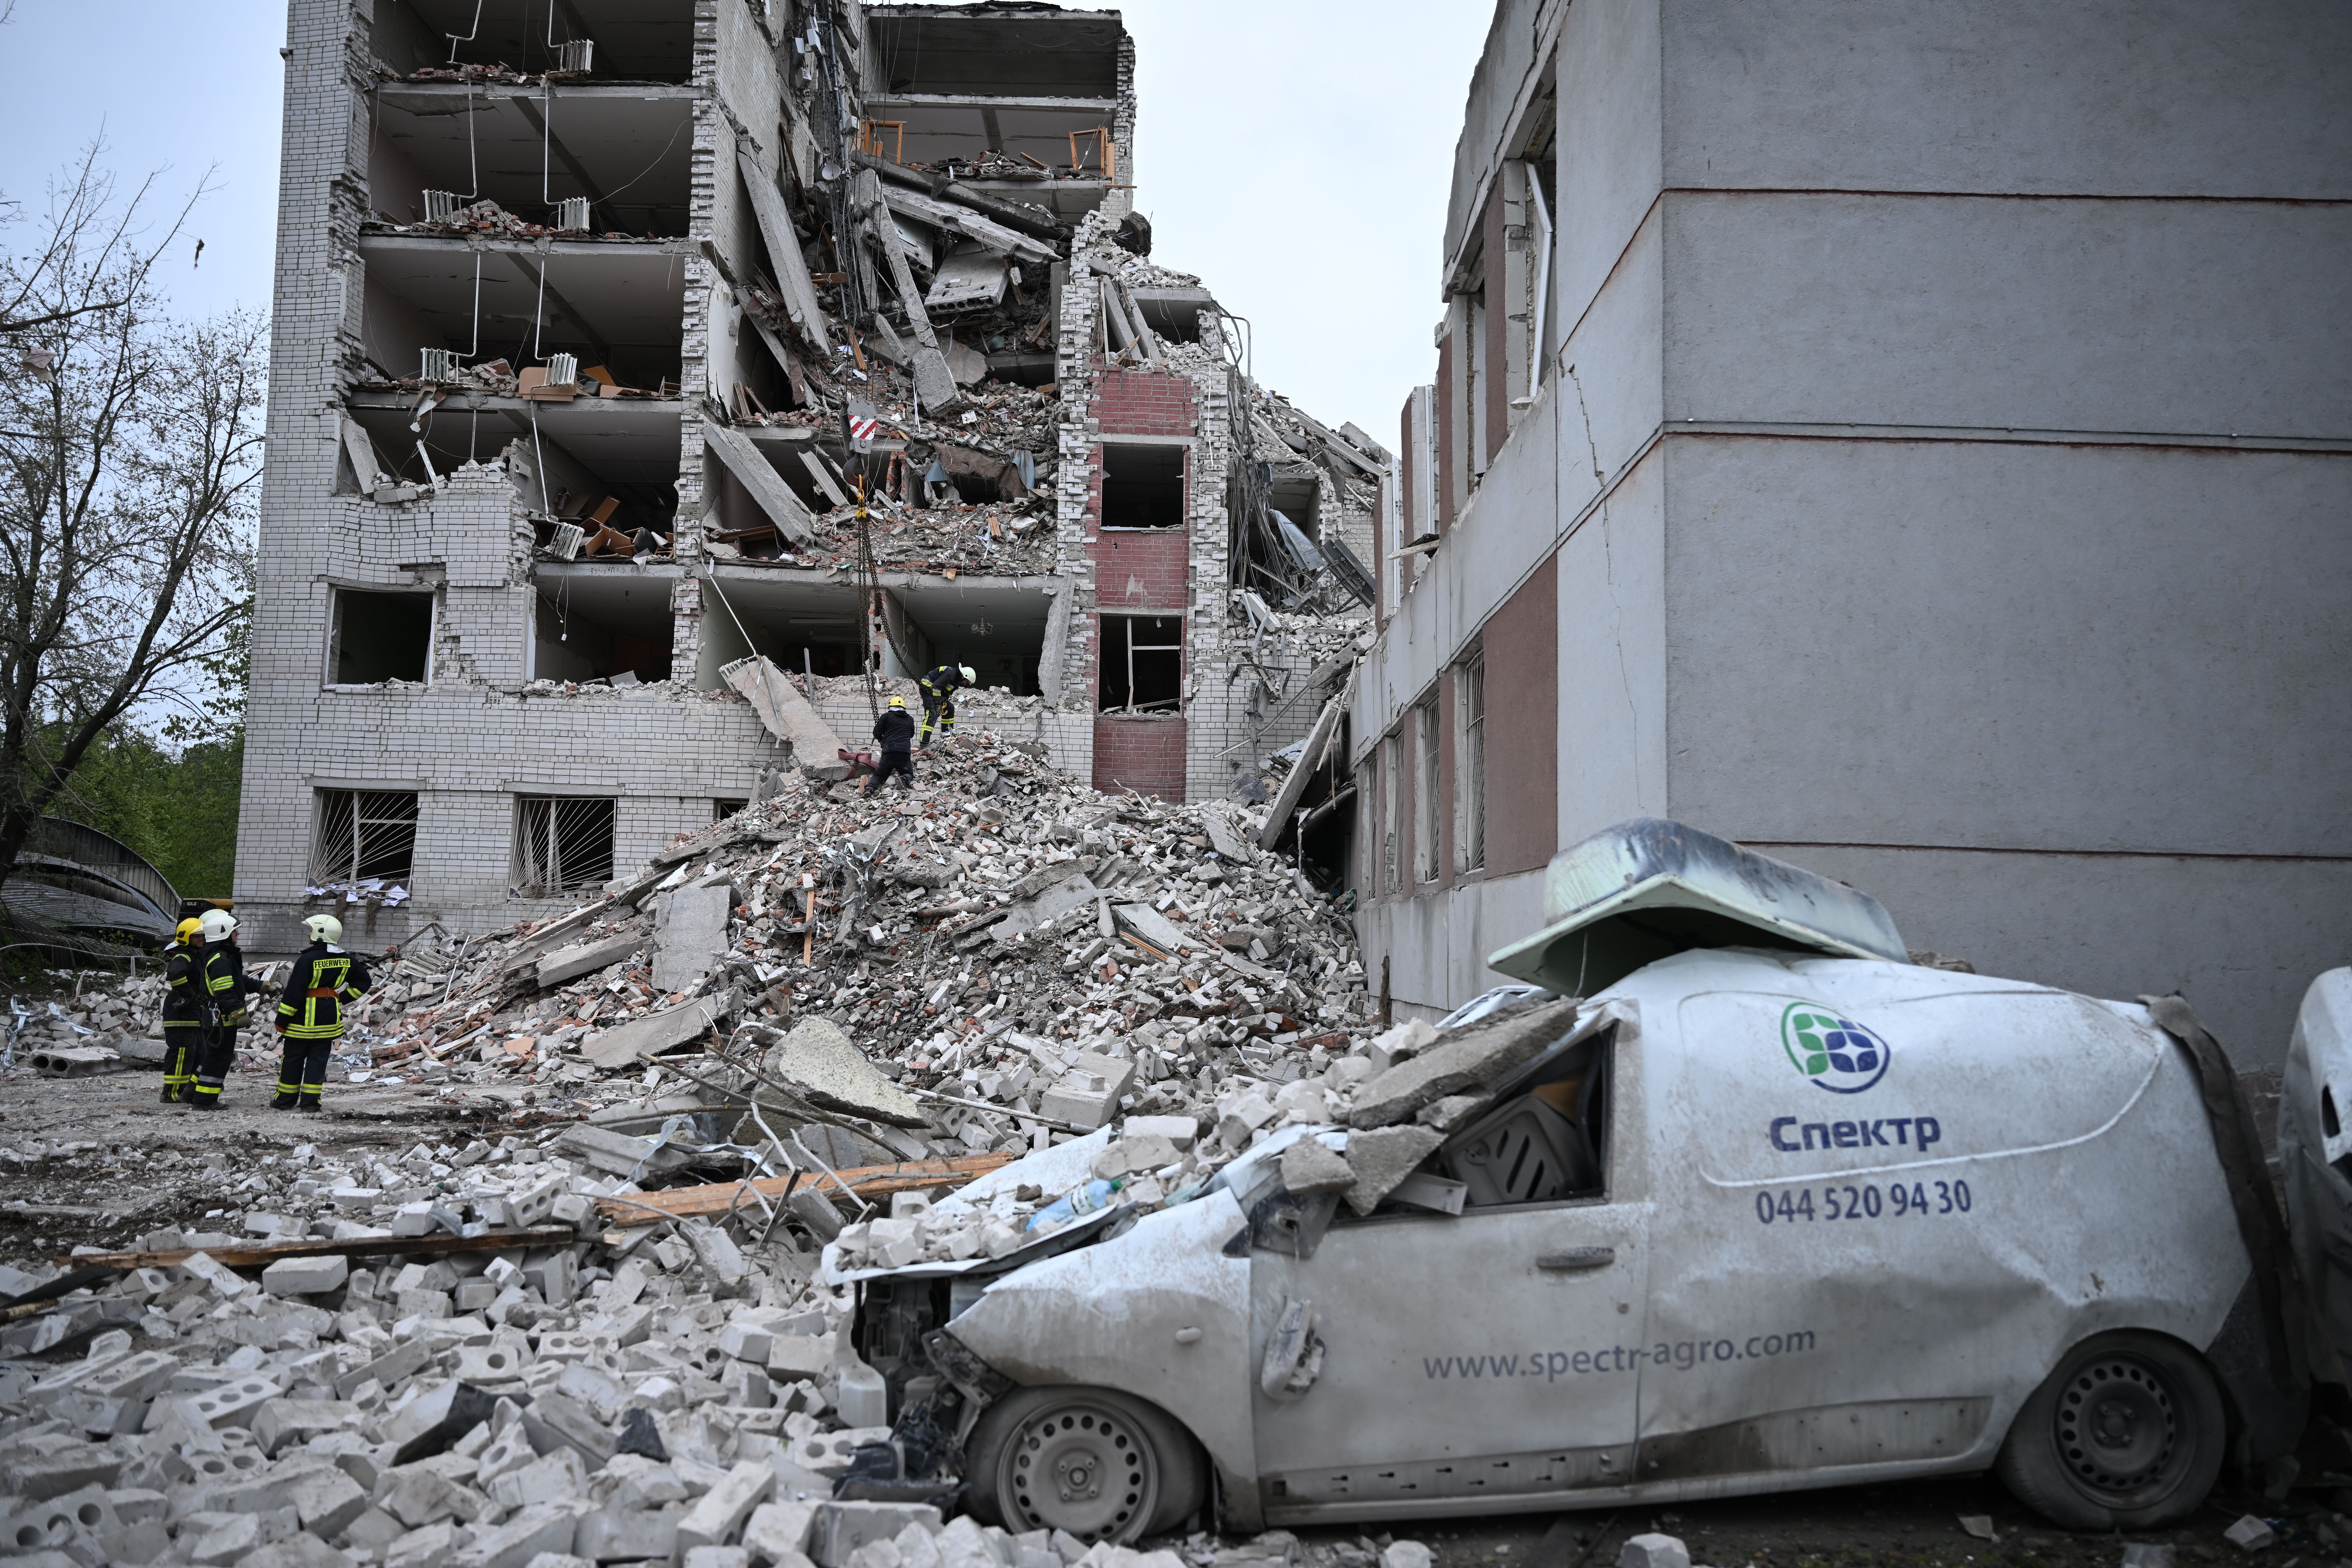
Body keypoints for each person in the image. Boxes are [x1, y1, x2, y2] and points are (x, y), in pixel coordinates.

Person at [275, 913, 372, 1111]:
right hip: (328, 1020)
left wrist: (283, 1019)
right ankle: (311, 1103)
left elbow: (295, 993)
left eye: (312, 930)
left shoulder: (308, 959)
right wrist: (341, 997)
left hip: (301, 1022)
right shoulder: (347, 959)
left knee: (293, 1060)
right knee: (318, 1062)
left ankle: (285, 1101)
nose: (309, 933)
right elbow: (364, 982)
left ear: (321, 933)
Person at [187, 909, 268, 1110]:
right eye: (235, 932)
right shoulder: (221, 960)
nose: (238, 935)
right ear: (224, 933)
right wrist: (239, 1012)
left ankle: (190, 1093)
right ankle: (205, 1101)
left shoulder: (221, 956)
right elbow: (224, 991)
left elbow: (237, 981)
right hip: (222, 1018)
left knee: (211, 1056)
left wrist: (260, 986)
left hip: (217, 1016)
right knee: (219, 1059)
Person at [159, 917, 205, 1103]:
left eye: (203, 935)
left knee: (195, 1055)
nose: (201, 938)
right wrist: (193, 996)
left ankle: (187, 1092)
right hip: (181, 1014)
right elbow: (176, 976)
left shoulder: (196, 957)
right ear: (186, 938)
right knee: (181, 1056)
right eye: (197, 936)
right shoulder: (183, 957)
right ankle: (171, 1094)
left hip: (192, 1014)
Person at [917, 662, 976, 748]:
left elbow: (946, 694)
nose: (965, 684)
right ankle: (924, 744)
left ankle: (947, 739)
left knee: (950, 709)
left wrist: (943, 703)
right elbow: (937, 687)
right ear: (964, 676)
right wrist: (938, 704)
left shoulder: (957, 682)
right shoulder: (950, 673)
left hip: (937, 693)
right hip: (927, 689)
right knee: (932, 715)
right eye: (967, 681)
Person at [868, 694, 917, 795]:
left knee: (879, 775)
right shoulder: (910, 719)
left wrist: (882, 741)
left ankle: (869, 788)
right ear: (904, 708)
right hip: (904, 753)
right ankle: (903, 779)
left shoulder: (886, 717)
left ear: (890, 707)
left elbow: (877, 733)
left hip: (889, 752)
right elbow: (911, 735)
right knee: (908, 773)